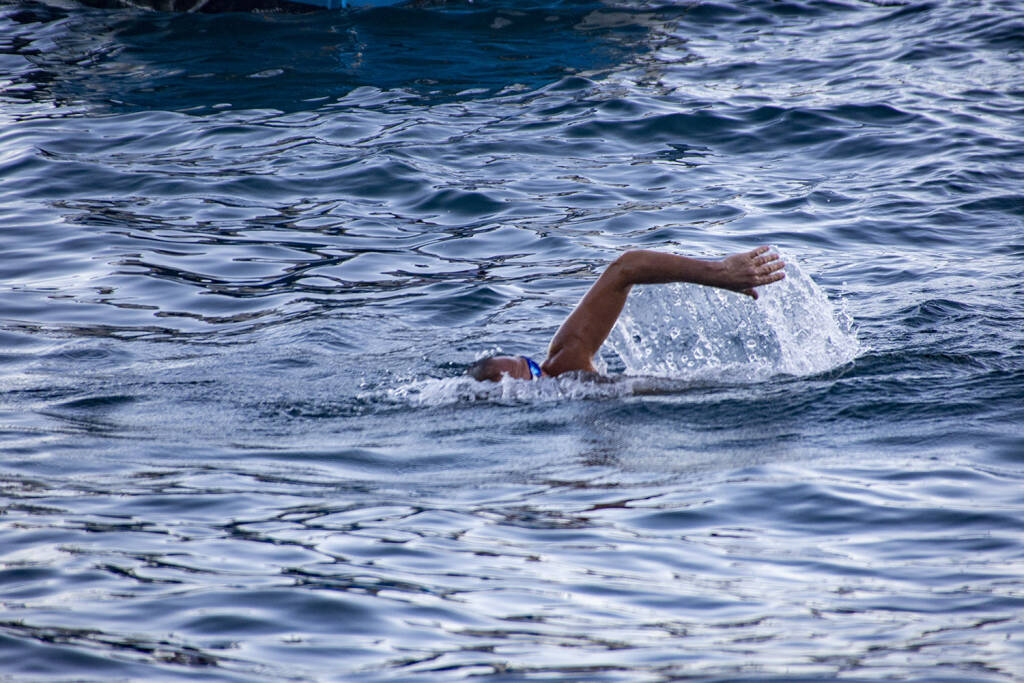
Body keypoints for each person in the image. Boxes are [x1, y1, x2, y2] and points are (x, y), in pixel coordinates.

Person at [468, 245, 785, 382]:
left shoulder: (564, 362)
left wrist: (717, 272)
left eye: (533, 365)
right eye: (534, 374)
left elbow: (626, 268)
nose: (543, 370)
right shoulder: (565, 386)